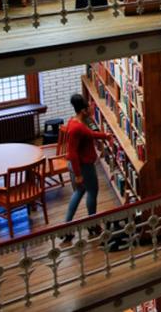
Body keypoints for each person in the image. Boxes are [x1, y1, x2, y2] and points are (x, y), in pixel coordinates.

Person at [62, 94, 114, 227]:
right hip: (83, 166)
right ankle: (92, 224)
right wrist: (79, 175)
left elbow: (89, 134)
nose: (91, 110)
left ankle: (66, 225)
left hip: (79, 165)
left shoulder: (75, 122)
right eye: (89, 108)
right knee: (92, 191)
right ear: (83, 110)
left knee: (79, 192)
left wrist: (105, 136)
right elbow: (72, 153)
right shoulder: (77, 127)